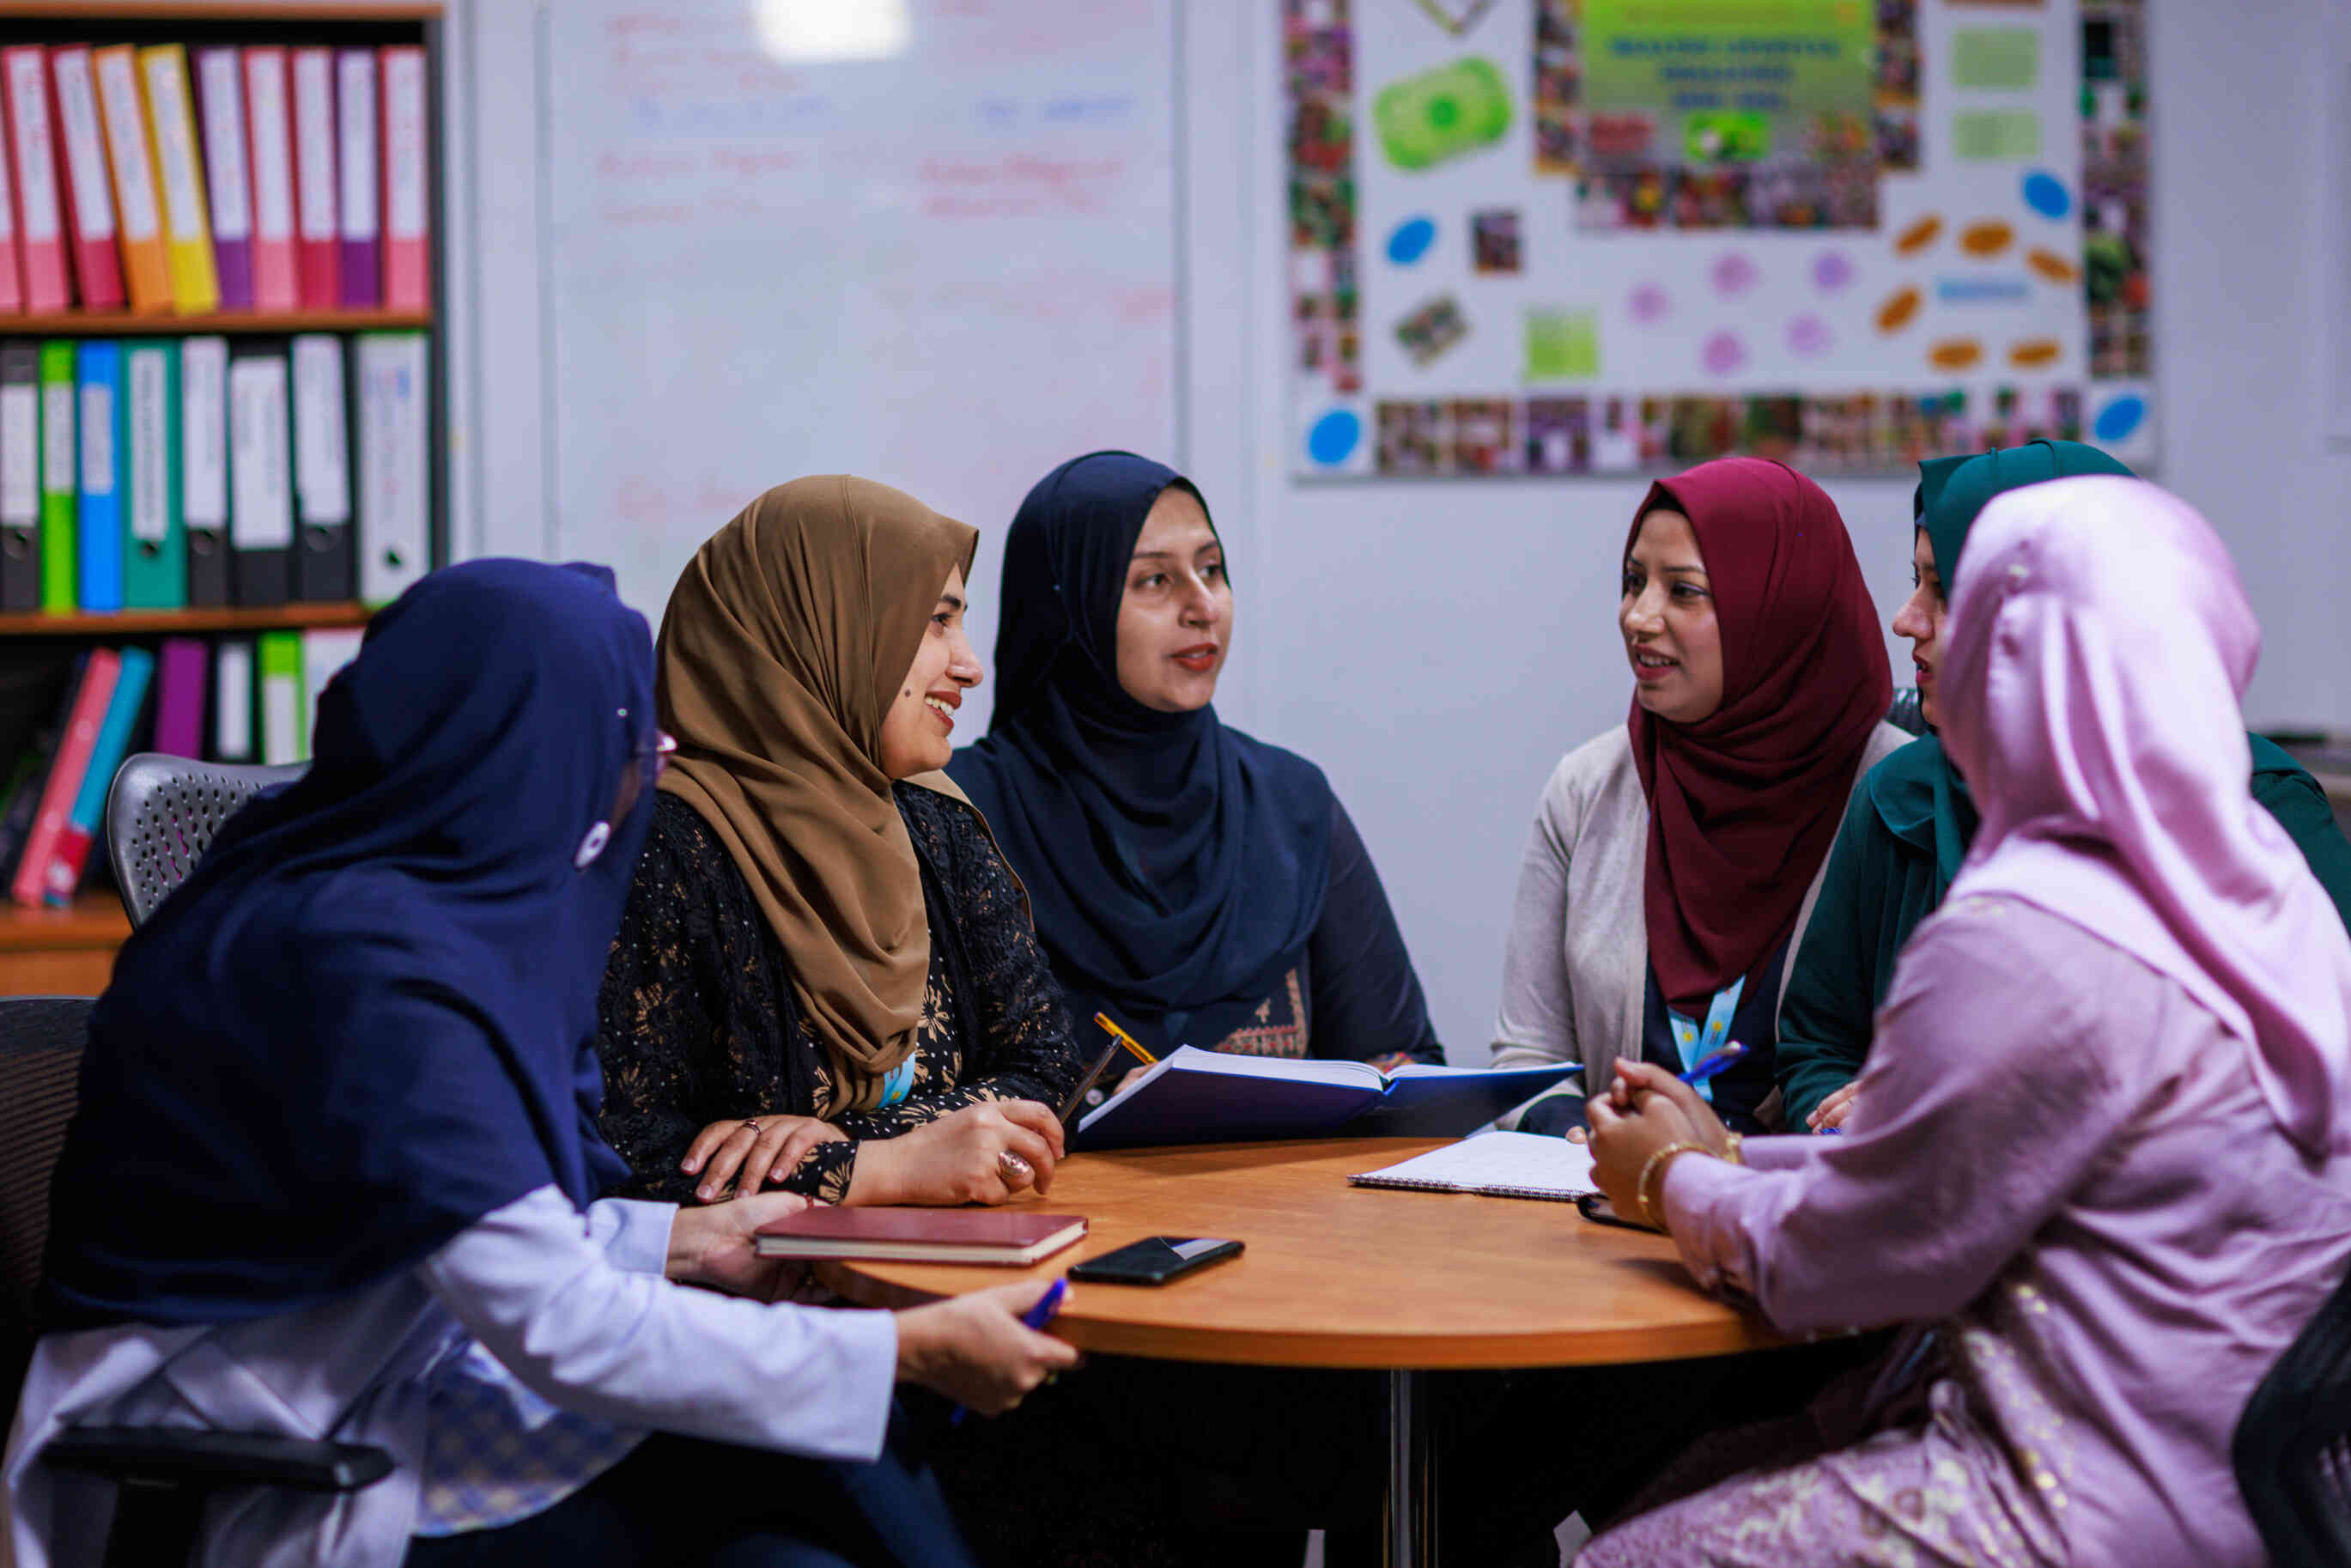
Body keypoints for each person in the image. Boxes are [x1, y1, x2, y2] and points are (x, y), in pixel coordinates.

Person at [2, 561, 1077, 1568]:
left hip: (385, 1377)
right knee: (816, 1493)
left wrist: (696, 1239)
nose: (648, 772)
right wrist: (909, 1348)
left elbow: (476, 1226)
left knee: (808, 1496)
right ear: (527, 745)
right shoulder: (371, 969)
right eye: (624, 736)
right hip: (255, 1456)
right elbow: (555, 1322)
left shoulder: (393, 909)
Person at [1577, 475, 2351, 1568]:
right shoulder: (2259, 883)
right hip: (2276, 1479)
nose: (1905, 623)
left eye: (1948, 595)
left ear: (2029, 652)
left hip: (2083, 1489)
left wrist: (1671, 1181)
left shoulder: (2027, 930)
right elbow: (1984, 1161)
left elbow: (1849, 1258)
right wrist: (1740, 1147)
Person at [1778, 441, 2351, 1132]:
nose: (1907, 620)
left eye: (1945, 591)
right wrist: (1845, 1122)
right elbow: (1819, 1044)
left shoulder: (2257, 803)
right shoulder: (1900, 797)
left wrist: (1920, 1123)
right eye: (1916, 582)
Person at [594, 477, 1085, 1208]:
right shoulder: (664, 850)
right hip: (743, 1308)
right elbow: (622, 1156)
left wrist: (850, 1145)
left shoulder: (937, 825)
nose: (969, 665)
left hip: (954, 1267)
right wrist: (884, 1170)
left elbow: (1045, 1066)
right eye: (935, 622)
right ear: (823, 626)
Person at [948, 449, 1442, 1077]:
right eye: (1155, 580)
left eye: (1212, 569)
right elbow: (922, 1092)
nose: (1203, 605)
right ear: (1068, 609)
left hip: (1281, 1178)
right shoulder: (962, 816)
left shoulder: (1290, 801)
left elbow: (1399, 1055)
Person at [1492, 456, 1908, 1139]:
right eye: (1633, 583)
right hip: (1608, 1213)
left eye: (1684, 591)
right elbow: (1528, 1057)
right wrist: (1581, 1137)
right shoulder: (1589, 787)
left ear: (1779, 610)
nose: (1638, 616)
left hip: (1811, 1223)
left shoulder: (1900, 797)